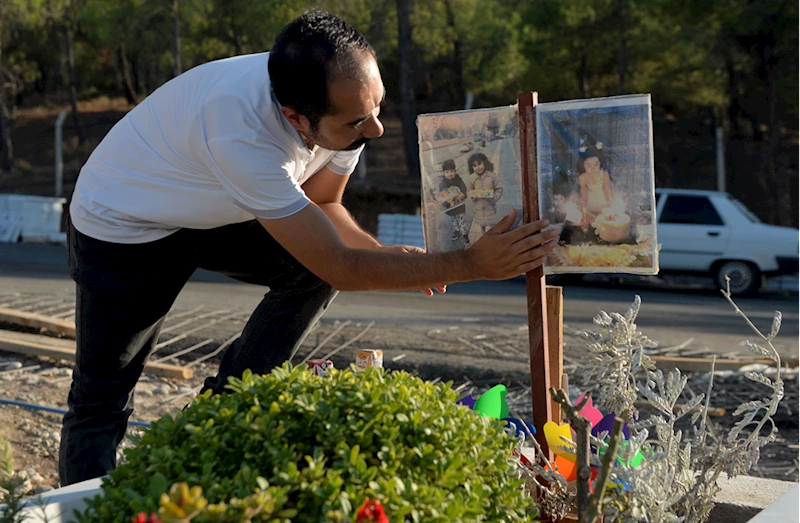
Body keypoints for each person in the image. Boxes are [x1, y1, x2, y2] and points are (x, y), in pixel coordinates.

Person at [59, 9, 557, 486]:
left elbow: (325, 206)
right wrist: (471, 264)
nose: (376, 129)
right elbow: (339, 265)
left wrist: (380, 252)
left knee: (309, 268)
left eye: (377, 106)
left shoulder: (341, 105)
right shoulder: (241, 131)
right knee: (101, 399)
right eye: (357, 121)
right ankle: (87, 504)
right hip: (127, 224)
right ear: (295, 117)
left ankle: (221, 410)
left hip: (216, 202)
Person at [467, 152, 503, 244]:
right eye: (474, 166)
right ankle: (485, 239)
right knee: (482, 225)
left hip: (490, 207)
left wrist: (494, 197)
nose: (478, 167)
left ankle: (494, 240)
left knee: (493, 226)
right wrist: (473, 195)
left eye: (479, 164)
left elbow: (499, 189)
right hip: (478, 209)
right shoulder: (472, 178)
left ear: (484, 162)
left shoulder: (492, 175)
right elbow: (470, 191)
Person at [577, 143, 614, 224]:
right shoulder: (582, 177)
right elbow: (583, 194)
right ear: (583, 165)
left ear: (600, 163)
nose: (593, 168)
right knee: (592, 220)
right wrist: (583, 207)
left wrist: (611, 205)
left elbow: (608, 190)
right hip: (591, 201)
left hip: (604, 199)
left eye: (596, 164)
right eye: (589, 166)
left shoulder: (603, 173)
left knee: (606, 219)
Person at [437, 159, 470, 246]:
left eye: (451, 171)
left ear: (455, 171)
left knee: (462, 221)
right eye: (447, 172)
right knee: (454, 220)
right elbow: (441, 194)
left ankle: (465, 235)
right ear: (444, 173)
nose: (449, 174)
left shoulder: (459, 180)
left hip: (459, 207)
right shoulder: (442, 183)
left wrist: (462, 195)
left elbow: (464, 190)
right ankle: (457, 230)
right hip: (450, 207)